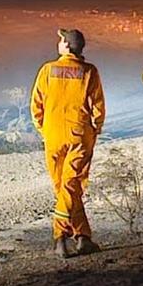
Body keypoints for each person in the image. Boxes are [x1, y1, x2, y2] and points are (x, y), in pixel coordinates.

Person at [30, 29, 105, 258]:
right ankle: (63, 237)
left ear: (66, 45)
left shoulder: (47, 70)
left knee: (64, 188)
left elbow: (36, 106)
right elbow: (98, 109)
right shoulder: (89, 72)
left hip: (53, 137)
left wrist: (45, 129)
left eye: (60, 40)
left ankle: (81, 237)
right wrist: (94, 131)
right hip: (80, 136)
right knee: (71, 187)